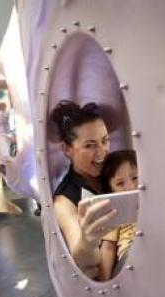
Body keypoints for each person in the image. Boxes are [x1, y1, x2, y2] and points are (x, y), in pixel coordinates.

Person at [51, 101, 115, 279]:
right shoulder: (64, 201)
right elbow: (79, 253)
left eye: (105, 141)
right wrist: (88, 241)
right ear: (67, 149)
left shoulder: (116, 170)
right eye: (90, 145)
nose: (102, 151)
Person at [98, 150, 138, 281]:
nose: (131, 186)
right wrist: (104, 282)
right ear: (111, 190)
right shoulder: (114, 210)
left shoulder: (152, 200)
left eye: (135, 178)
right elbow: (108, 247)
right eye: (120, 184)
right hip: (130, 260)